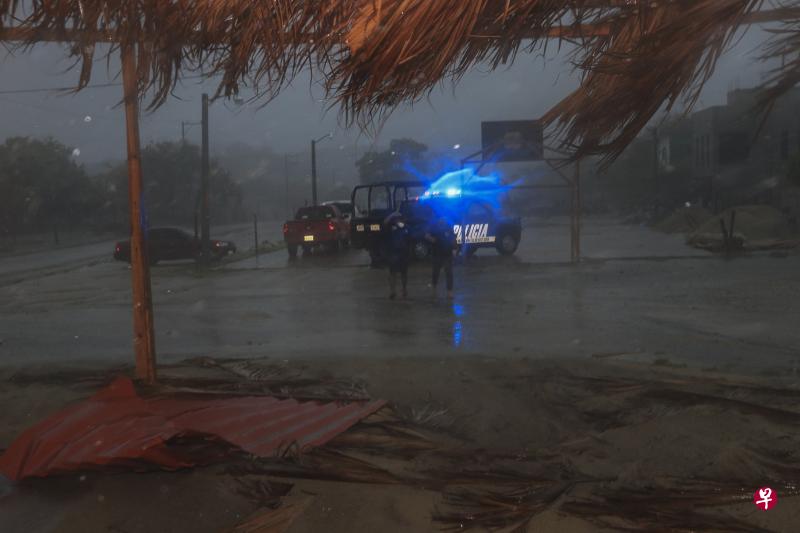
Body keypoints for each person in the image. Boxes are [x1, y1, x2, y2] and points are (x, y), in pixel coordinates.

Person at [425, 216, 456, 298]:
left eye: (444, 218)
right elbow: (426, 235)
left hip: (447, 254)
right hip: (437, 253)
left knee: (449, 273)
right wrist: (431, 239)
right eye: (441, 218)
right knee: (435, 273)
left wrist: (454, 249)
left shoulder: (449, 227)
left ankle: (449, 292)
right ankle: (434, 289)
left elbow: (453, 238)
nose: (443, 220)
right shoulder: (434, 227)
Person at [383, 211, 410, 299]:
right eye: (396, 218)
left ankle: (404, 290)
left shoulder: (405, 227)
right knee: (392, 273)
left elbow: (409, 238)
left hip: (403, 252)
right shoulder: (390, 226)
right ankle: (393, 291)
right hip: (393, 252)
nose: (398, 220)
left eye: (399, 218)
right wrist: (392, 215)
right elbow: (385, 223)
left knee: (404, 273)